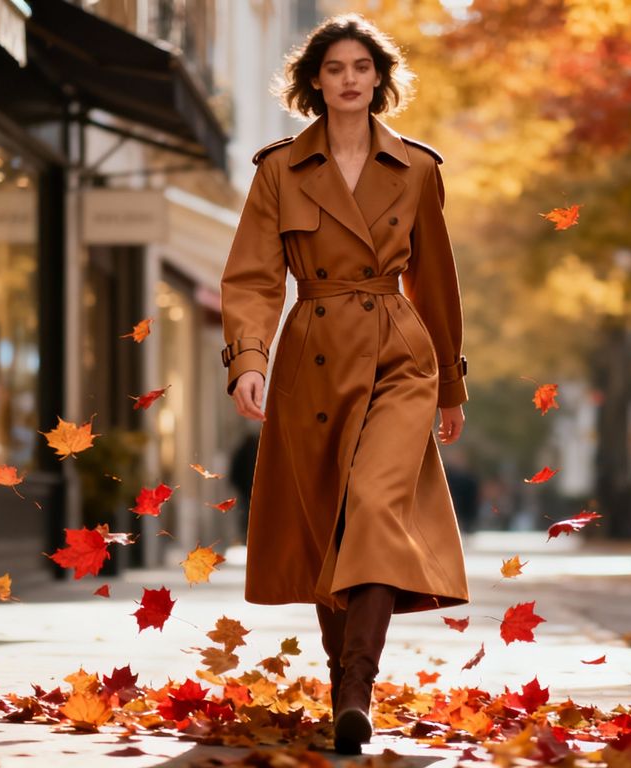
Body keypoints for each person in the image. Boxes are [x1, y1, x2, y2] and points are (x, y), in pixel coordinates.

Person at [219, 13, 470, 755]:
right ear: (314, 82)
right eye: (336, 68)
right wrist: (250, 362)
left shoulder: (418, 168)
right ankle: (343, 695)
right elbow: (252, 278)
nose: (351, 78)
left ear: (380, 78)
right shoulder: (278, 170)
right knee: (333, 520)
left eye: (363, 66)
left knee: (373, 506)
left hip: (399, 352)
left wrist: (450, 385)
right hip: (313, 353)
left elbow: (436, 282)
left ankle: (357, 687)